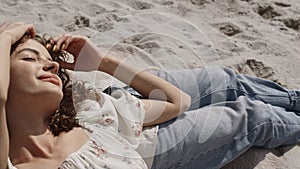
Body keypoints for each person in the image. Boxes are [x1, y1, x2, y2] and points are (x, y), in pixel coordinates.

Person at [1, 22, 300, 169]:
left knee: (225, 80)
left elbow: (176, 101)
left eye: (47, 58)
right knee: (251, 116)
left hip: (103, 104)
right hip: (133, 141)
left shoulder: (88, 118)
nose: (52, 64)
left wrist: (103, 60)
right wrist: (4, 38)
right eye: (29, 59)